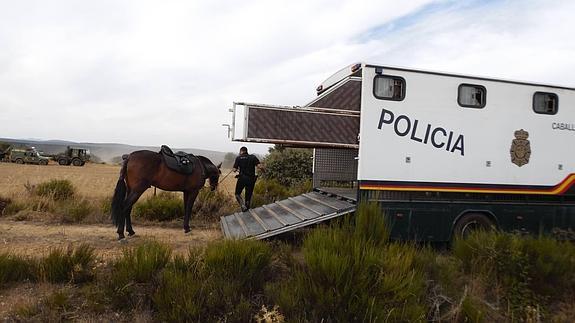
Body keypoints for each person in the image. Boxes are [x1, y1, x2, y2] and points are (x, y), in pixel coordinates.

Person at [233, 146, 261, 212]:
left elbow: (234, 169)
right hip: (251, 179)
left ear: (241, 151)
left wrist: (235, 169)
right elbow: (259, 166)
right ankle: (247, 208)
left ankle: (242, 205)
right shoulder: (253, 157)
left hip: (242, 178)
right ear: (246, 151)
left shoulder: (238, 158)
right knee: (248, 195)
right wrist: (264, 170)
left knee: (237, 193)